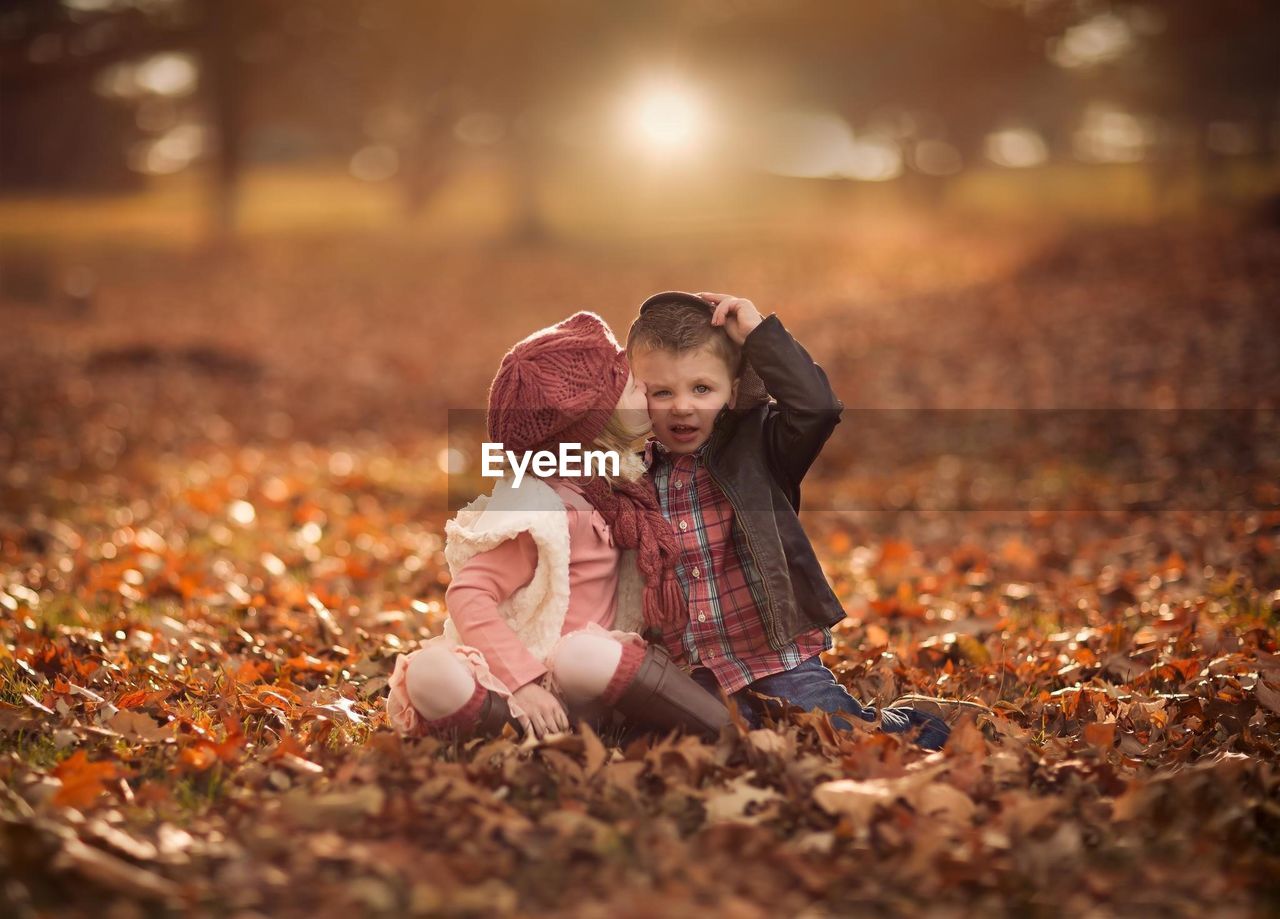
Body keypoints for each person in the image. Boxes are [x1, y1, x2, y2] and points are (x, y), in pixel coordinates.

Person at [627, 291, 950, 750]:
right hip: (690, 670)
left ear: (733, 389)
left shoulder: (760, 445)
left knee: (837, 734)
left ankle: (920, 724)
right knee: (698, 743)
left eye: (702, 388)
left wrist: (760, 336)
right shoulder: (629, 471)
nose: (683, 406)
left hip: (775, 658)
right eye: (662, 392)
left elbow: (817, 408)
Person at [386, 311, 729, 740]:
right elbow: (469, 594)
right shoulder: (544, 508)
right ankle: (516, 728)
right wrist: (524, 683)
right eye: (628, 384)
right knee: (431, 671)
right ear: (592, 422)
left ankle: (722, 729)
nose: (644, 385)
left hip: (588, 678)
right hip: (520, 675)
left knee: (582, 655)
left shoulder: (620, 486)